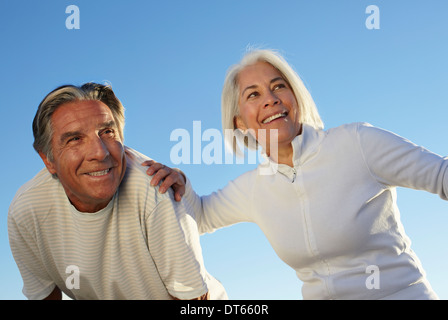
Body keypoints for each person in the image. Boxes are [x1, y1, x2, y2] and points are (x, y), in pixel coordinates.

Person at [145, 49, 447, 299]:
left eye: (278, 86)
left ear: (295, 98)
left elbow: (441, 175)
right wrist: (179, 182)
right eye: (253, 94)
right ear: (239, 123)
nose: (270, 99)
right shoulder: (253, 189)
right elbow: (197, 216)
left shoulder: (358, 143)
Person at [8, 83, 227, 300]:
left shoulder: (155, 190)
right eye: (75, 139)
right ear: (48, 159)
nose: (99, 152)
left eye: (107, 132)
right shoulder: (27, 211)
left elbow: (193, 300)